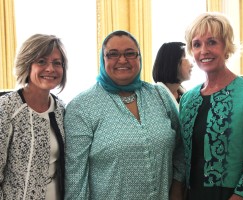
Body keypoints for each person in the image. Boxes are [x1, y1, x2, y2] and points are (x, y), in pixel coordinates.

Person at [64, 30, 185, 199]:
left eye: (130, 53)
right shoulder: (82, 106)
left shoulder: (159, 96)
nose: (122, 60)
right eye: (113, 54)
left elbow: (181, 147)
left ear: (139, 58)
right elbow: (76, 177)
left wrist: (177, 189)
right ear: (102, 59)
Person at [179, 12, 243, 200]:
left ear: (226, 46)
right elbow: (181, 159)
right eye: (197, 44)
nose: (204, 50)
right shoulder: (188, 99)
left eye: (212, 42)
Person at [0, 34, 68, 199]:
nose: (50, 69)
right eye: (41, 61)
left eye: (56, 63)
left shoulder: (61, 109)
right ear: (27, 65)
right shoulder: (6, 108)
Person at [152, 42, 193, 109]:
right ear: (173, 62)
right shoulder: (154, 98)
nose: (192, 65)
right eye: (186, 58)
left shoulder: (184, 95)